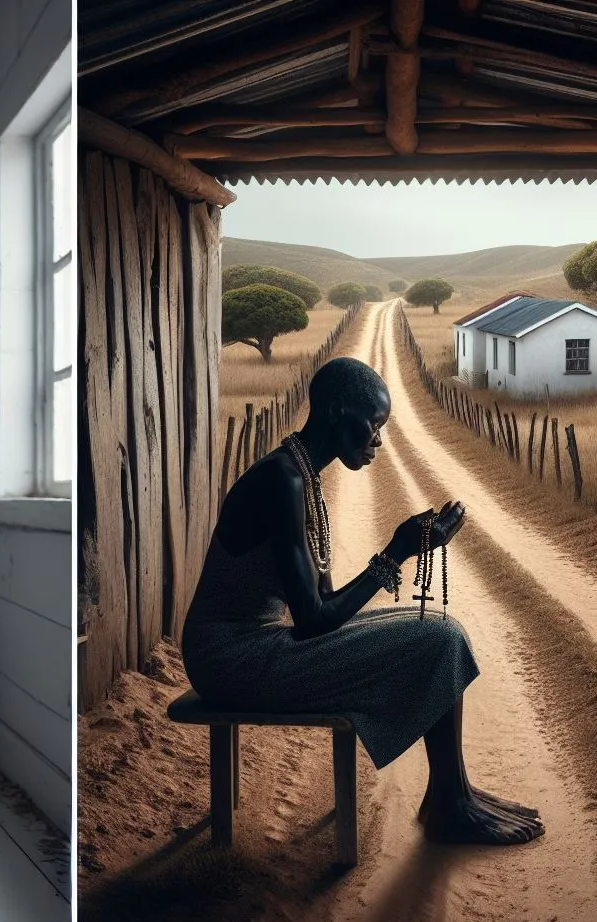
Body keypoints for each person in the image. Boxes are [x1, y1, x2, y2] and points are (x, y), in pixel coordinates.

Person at [182, 356, 543, 845]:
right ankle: (450, 801)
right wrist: (396, 551)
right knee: (435, 637)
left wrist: (407, 549)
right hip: (230, 660)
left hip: (257, 644)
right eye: (373, 425)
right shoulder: (281, 481)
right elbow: (313, 621)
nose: (378, 439)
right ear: (336, 411)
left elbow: (323, 602)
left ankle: (450, 791)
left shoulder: (301, 475)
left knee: (437, 626)